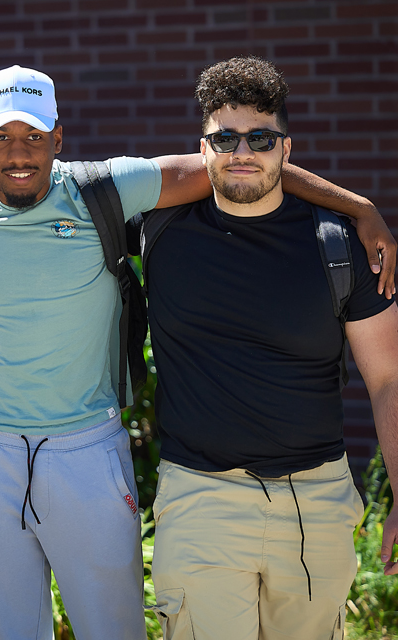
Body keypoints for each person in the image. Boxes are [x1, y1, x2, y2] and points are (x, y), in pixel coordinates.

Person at [0, 65, 397, 640]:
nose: (19, 153)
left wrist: (360, 206)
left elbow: (240, 168)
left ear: (58, 137)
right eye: (0, 139)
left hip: (92, 447)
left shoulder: (106, 189)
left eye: (34, 137)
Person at [145, 55, 398, 640]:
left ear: (287, 147)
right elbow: (49, 176)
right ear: (201, 149)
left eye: (260, 137)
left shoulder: (339, 246)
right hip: (199, 495)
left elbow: (388, 379)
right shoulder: (158, 229)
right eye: (225, 138)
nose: (242, 152)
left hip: (315, 501)